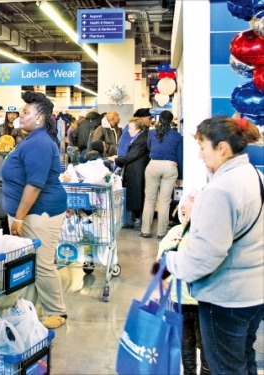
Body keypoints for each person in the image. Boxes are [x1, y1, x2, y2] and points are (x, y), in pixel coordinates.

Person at [159, 116, 263, 375]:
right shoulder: (254, 175)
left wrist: (170, 262)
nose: (199, 155)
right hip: (254, 292)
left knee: (226, 368)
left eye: (203, 147)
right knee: (243, 361)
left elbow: (206, 256)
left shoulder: (221, 189)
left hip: (226, 298)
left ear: (222, 148)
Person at [1, 91, 68, 329]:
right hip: (31, 212)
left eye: (26, 112)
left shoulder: (39, 143)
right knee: (30, 262)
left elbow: (34, 184)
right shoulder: (32, 139)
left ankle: (56, 311)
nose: (20, 115)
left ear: (40, 118)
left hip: (41, 213)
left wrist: (19, 217)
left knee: (42, 263)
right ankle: (26, 310)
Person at [155, 191, 210, 375]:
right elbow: (163, 260)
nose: (187, 217)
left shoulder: (197, 235)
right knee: (193, 345)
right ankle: (191, 372)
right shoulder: (179, 233)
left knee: (199, 345)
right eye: (185, 212)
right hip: (187, 302)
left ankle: (198, 371)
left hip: (196, 302)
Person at [140, 110, 183, 239]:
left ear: (159, 119)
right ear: (171, 121)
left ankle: (145, 231)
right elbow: (180, 156)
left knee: (149, 200)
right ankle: (161, 233)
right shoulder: (177, 136)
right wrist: (180, 175)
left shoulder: (152, 133)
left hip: (153, 165)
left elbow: (149, 147)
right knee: (165, 201)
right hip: (170, 166)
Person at [109, 117, 149, 229]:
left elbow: (132, 156)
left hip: (137, 171)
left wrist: (117, 159)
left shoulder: (141, 140)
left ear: (138, 129)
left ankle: (135, 220)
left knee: (136, 194)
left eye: (131, 128)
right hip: (135, 170)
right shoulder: (139, 138)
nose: (128, 130)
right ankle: (133, 220)